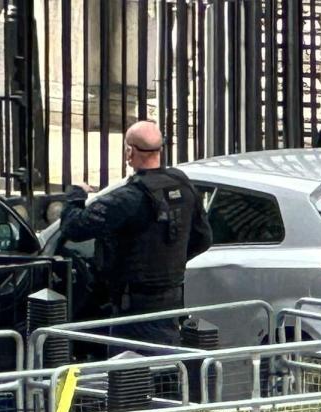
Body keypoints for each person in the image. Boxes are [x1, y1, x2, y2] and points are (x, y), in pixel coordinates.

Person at [60, 120, 212, 347]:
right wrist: (169, 260)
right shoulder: (182, 185)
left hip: (132, 309)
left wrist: (75, 196)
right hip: (171, 301)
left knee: (129, 376)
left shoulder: (127, 198)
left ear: (129, 152)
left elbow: (74, 227)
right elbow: (203, 238)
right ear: (160, 150)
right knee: (166, 372)